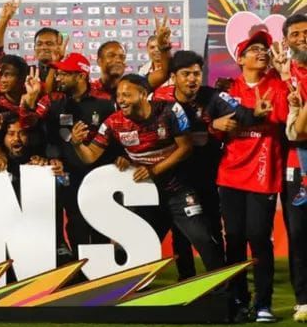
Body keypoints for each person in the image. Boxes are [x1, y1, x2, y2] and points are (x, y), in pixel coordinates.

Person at [71, 74, 225, 277]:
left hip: (178, 190)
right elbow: (90, 156)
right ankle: (127, 288)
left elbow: (185, 148)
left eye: (127, 94)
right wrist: (77, 144)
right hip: (146, 196)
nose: (121, 100)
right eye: (119, 95)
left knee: (203, 239)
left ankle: (225, 290)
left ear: (143, 94)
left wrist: (153, 170)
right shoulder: (113, 123)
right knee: (134, 247)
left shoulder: (169, 111)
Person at [153, 50, 260, 280]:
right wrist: (211, 125)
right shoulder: (161, 100)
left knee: (212, 228)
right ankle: (186, 281)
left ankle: (220, 283)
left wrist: (258, 113)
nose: (192, 79)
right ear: (174, 77)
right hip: (174, 177)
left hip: (207, 175)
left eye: (197, 73)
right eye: (186, 74)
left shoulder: (213, 96)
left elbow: (243, 115)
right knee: (180, 232)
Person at [216, 30, 288, 322]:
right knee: (233, 238)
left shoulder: (277, 85)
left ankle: (263, 303)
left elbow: (281, 117)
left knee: (258, 237)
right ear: (240, 58)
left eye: (264, 50)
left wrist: (260, 111)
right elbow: (217, 123)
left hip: (262, 174)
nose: (261, 53)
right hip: (230, 175)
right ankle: (238, 298)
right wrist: (220, 123)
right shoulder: (227, 89)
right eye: (254, 49)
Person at [23, 52, 117, 258]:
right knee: (76, 224)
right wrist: (30, 101)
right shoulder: (54, 102)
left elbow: (116, 136)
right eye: (59, 74)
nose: (59, 77)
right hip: (68, 176)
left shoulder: (105, 103)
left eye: (65, 74)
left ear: (81, 76)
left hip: (99, 177)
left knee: (100, 225)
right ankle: (79, 267)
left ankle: (102, 269)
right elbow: (32, 125)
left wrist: (121, 158)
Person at [280, 12, 307, 322]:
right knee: (299, 233)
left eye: (306, 33)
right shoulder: (282, 75)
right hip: (296, 162)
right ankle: (303, 299)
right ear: (286, 40)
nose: (302, 38)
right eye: (296, 34)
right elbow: (294, 133)